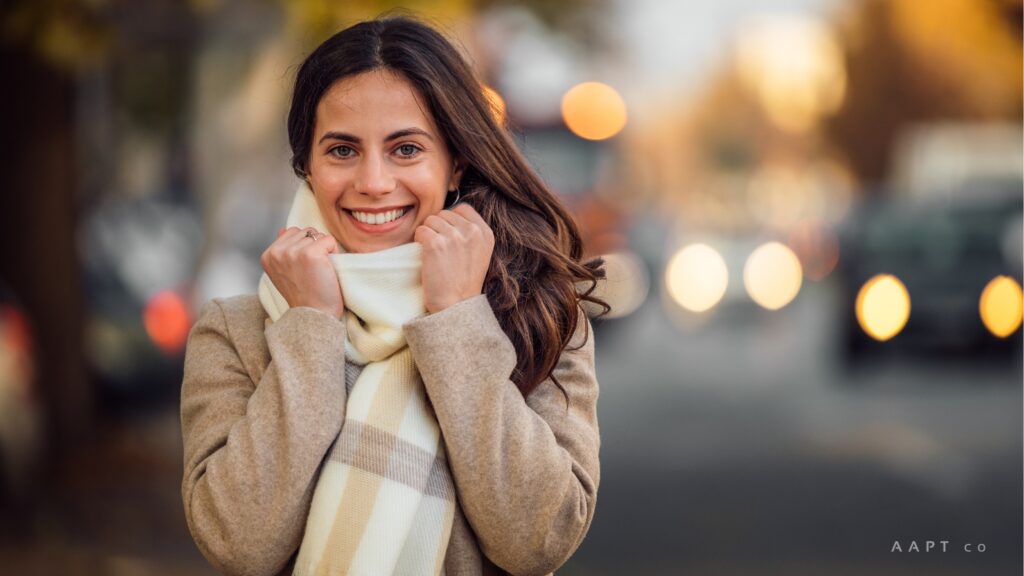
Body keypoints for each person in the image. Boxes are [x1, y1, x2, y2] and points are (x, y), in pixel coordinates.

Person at [180, 15, 607, 576]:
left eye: (406, 149)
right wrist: (310, 326)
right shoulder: (235, 333)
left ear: (455, 162)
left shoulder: (540, 318)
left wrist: (458, 319)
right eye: (342, 151)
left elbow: (538, 540)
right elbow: (240, 543)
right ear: (306, 166)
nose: (374, 182)